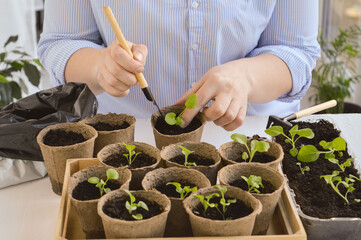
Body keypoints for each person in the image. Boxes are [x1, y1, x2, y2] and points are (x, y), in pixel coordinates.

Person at [38, 0, 320, 131]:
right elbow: (61, 42)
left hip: (249, 134)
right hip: (122, 138)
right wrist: (101, 67)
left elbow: (297, 52)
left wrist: (247, 78)